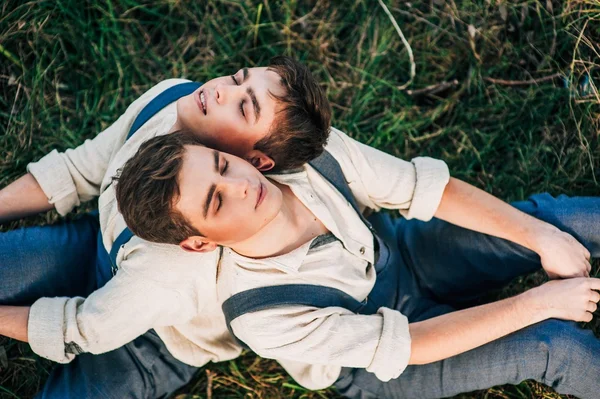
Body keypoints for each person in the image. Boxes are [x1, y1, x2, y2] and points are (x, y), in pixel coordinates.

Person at [117, 129, 600, 399]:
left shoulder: (309, 159)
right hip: (387, 357)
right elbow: (414, 344)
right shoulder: (259, 315)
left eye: (223, 166)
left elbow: (427, 189)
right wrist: (534, 304)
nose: (241, 185)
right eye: (217, 202)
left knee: (560, 221)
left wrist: (541, 237)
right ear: (200, 244)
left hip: (406, 255)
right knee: (554, 345)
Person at [0, 56, 331, 398]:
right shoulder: (173, 99)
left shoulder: (173, 266)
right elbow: (77, 170)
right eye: (236, 79)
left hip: (156, 342)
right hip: (100, 249)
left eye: (243, 108)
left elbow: (83, 328)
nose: (220, 92)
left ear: (252, 162)